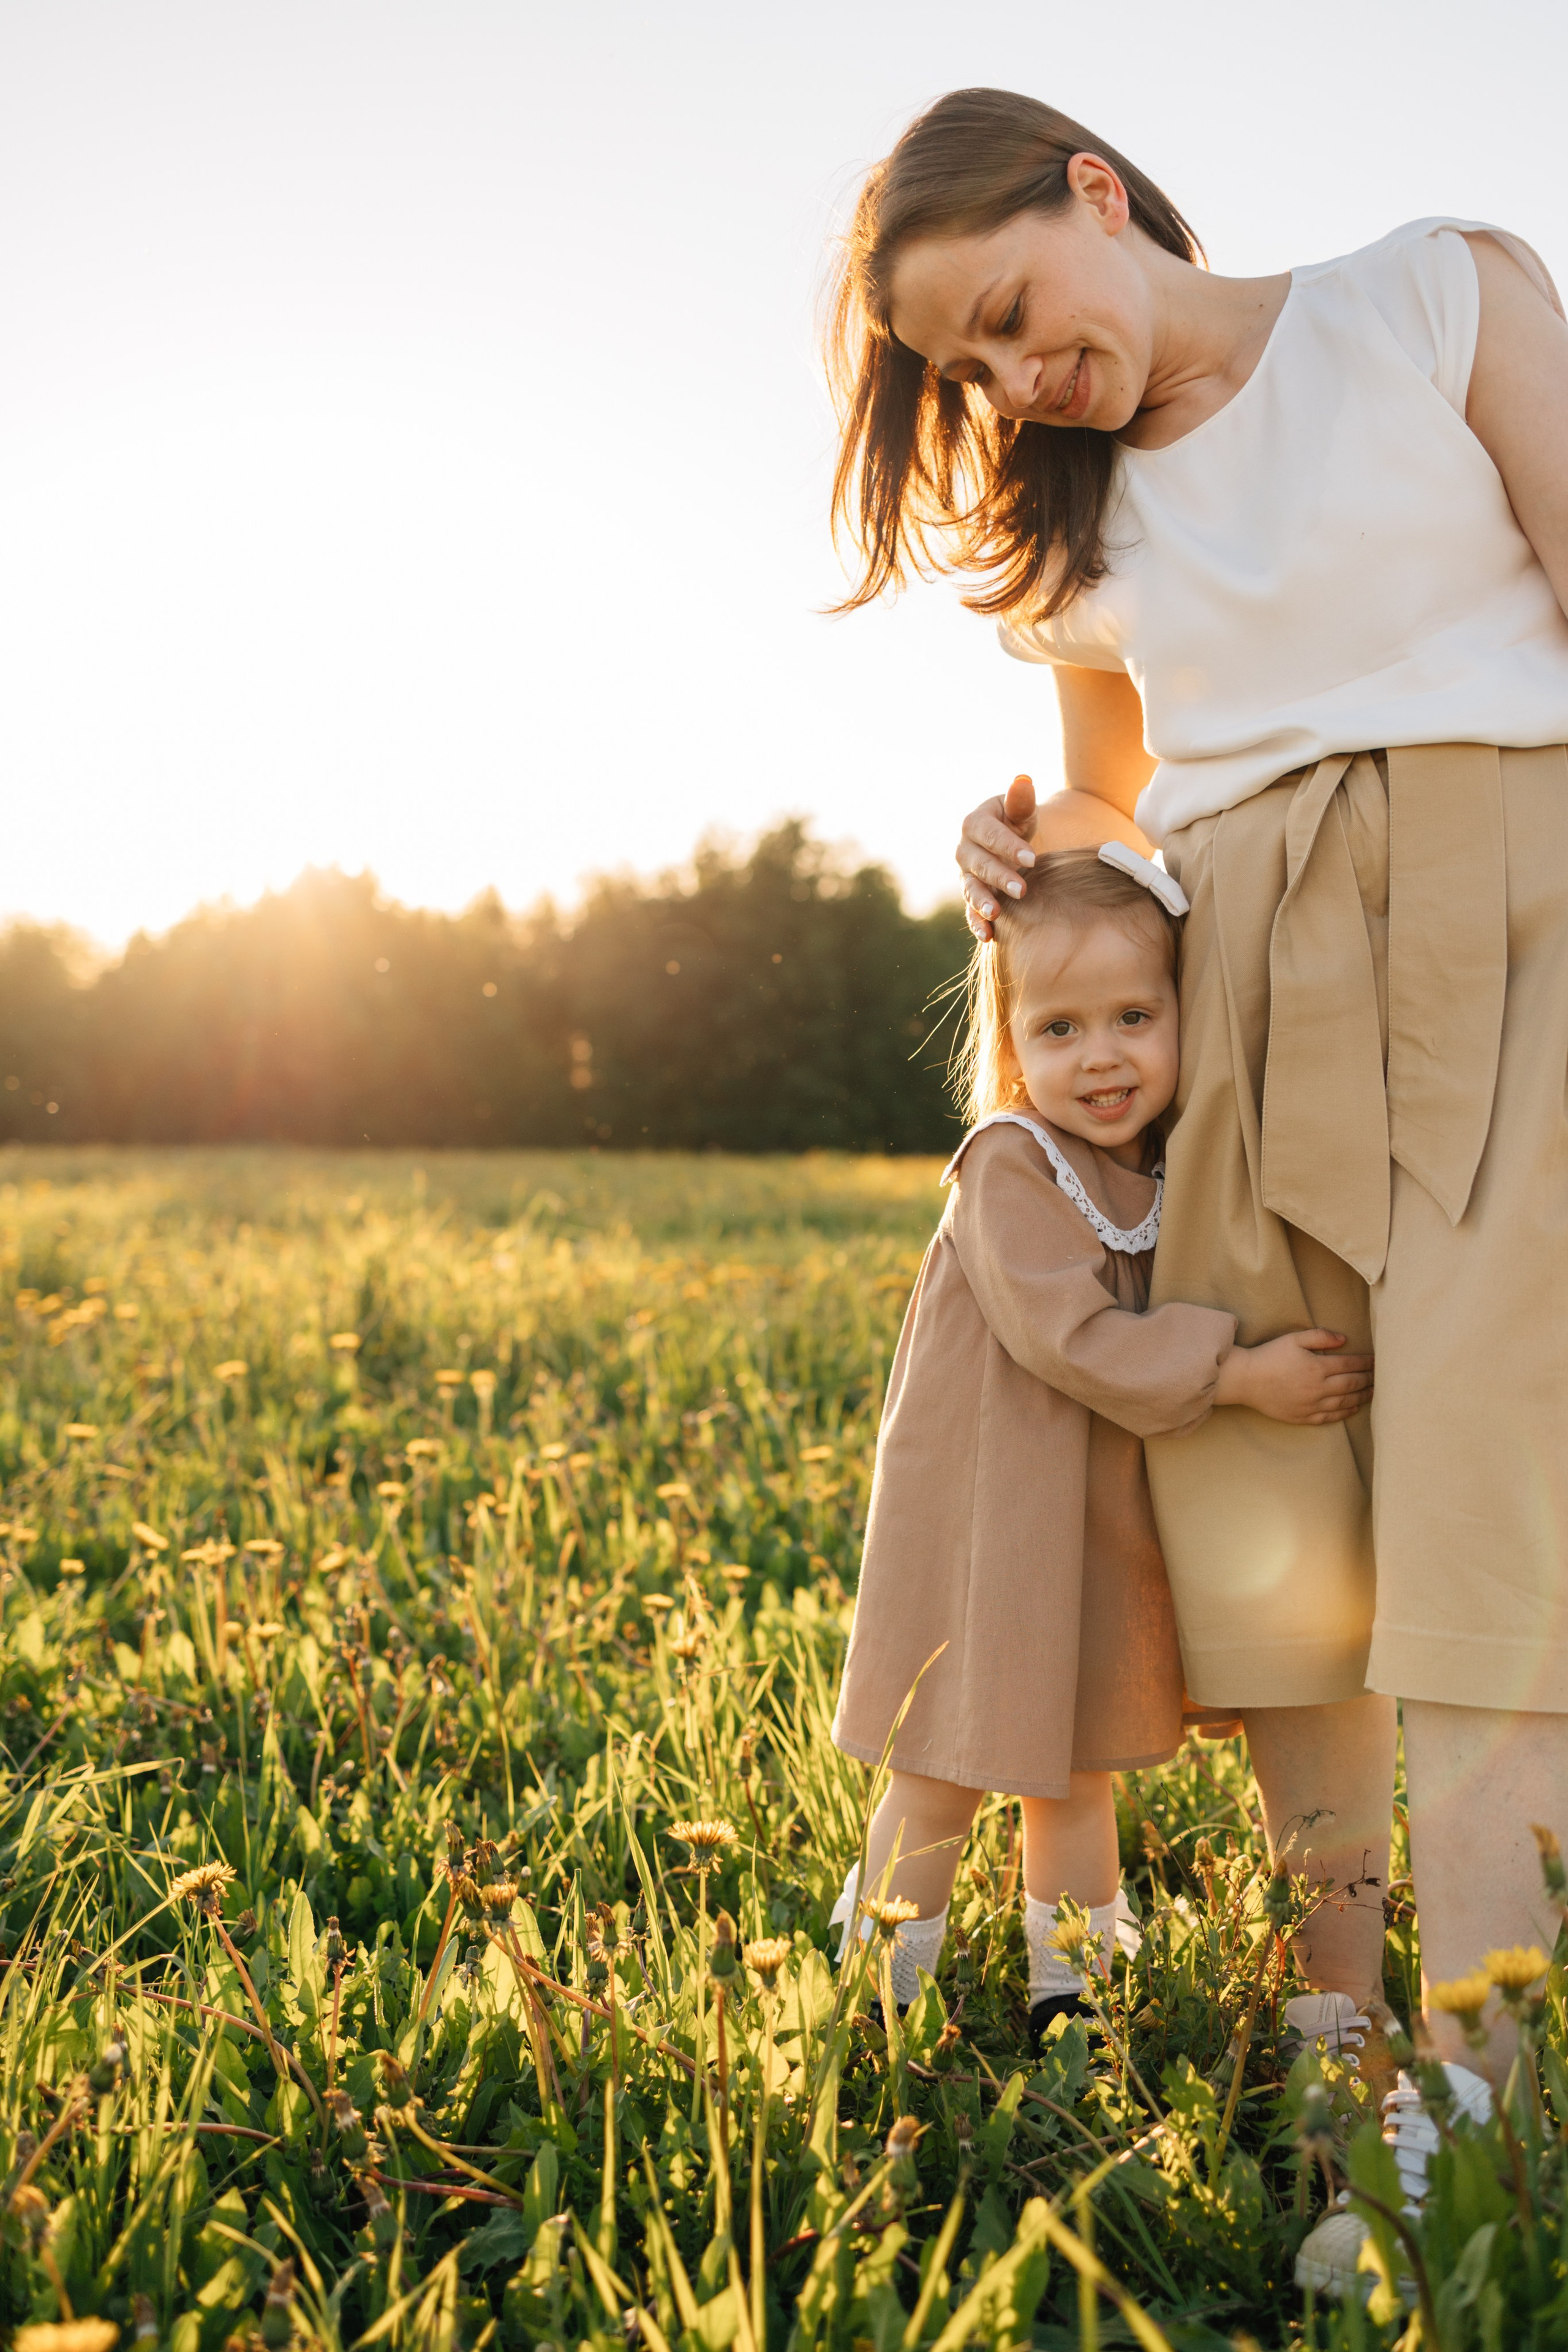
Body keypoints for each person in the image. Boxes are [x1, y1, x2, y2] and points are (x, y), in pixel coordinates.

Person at [824, 86, 1568, 2290]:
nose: (1014, 384)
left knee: (1482, 1518)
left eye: (1015, 319)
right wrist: (1021, 846)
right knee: (1291, 1536)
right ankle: (1352, 2055)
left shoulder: (1430, 297)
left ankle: (1479, 2110)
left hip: (1507, 929)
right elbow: (1116, 830)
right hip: (1242, 991)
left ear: (1096, 189)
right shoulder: (1082, 532)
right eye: (964, 370)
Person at [828, 845, 1371, 2052]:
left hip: (1077, 1530)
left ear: (1187, 1015)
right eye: (1061, 1028)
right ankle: (879, 1985)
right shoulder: (1008, 1164)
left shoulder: (1156, 1170)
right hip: (982, 1524)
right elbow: (1069, 1339)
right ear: (1015, 1043)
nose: (1103, 1055)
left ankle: (1072, 1992)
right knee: (942, 1757)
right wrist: (1235, 1375)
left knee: (1072, 1767)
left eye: (1134, 1016)